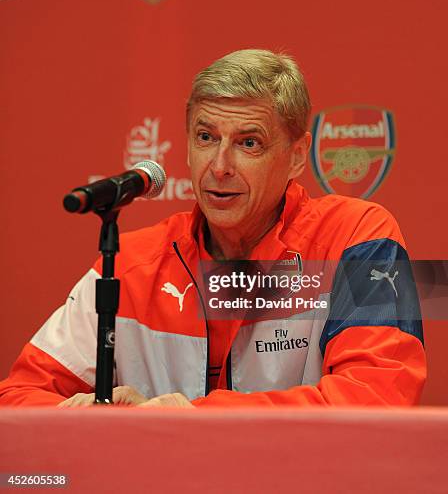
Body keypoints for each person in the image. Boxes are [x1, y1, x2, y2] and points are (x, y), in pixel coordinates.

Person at [0, 49, 426, 408]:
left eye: (248, 143)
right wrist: (84, 420)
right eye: (206, 137)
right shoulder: (130, 263)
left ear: (297, 156)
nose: (219, 167)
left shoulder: (359, 238)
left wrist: (198, 420)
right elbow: (18, 396)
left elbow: (377, 395)